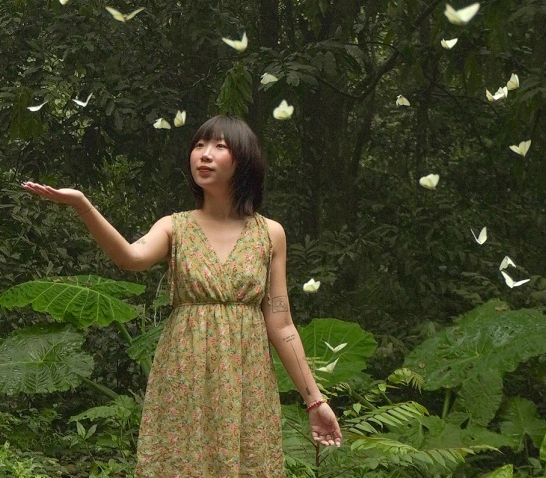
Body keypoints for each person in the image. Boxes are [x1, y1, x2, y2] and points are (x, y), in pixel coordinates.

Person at [23, 114, 342, 476]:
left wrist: (315, 401)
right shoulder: (174, 226)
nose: (204, 155)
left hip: (246, 380)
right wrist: (83, 205)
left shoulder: (270, 234)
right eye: (199, 145)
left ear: (245, 160)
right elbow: (130, 257)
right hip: (184, 373)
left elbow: (282, 323)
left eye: (219, 146)